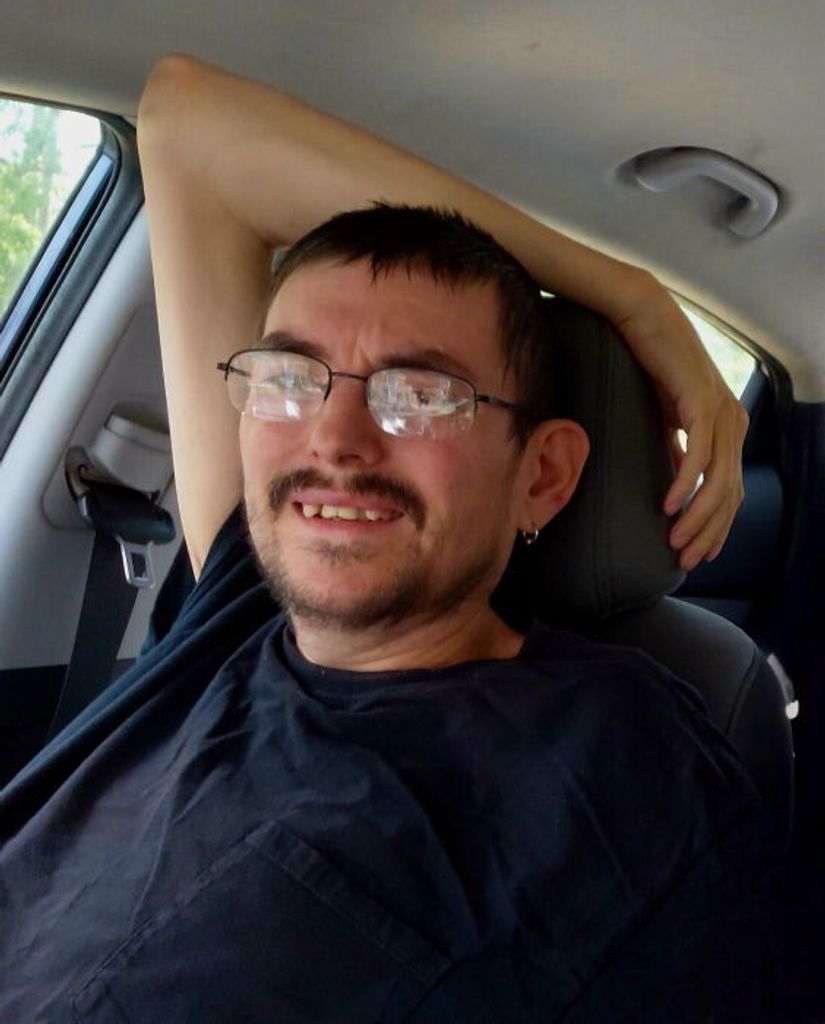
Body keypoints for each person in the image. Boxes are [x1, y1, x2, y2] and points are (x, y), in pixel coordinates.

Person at [0, 56, 795, 1022]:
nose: (331, 441)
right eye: (290, 378)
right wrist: (630, 294)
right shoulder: (238, 602)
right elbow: (185, 122)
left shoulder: (623, 763)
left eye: (419, 395)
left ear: (541, 475)